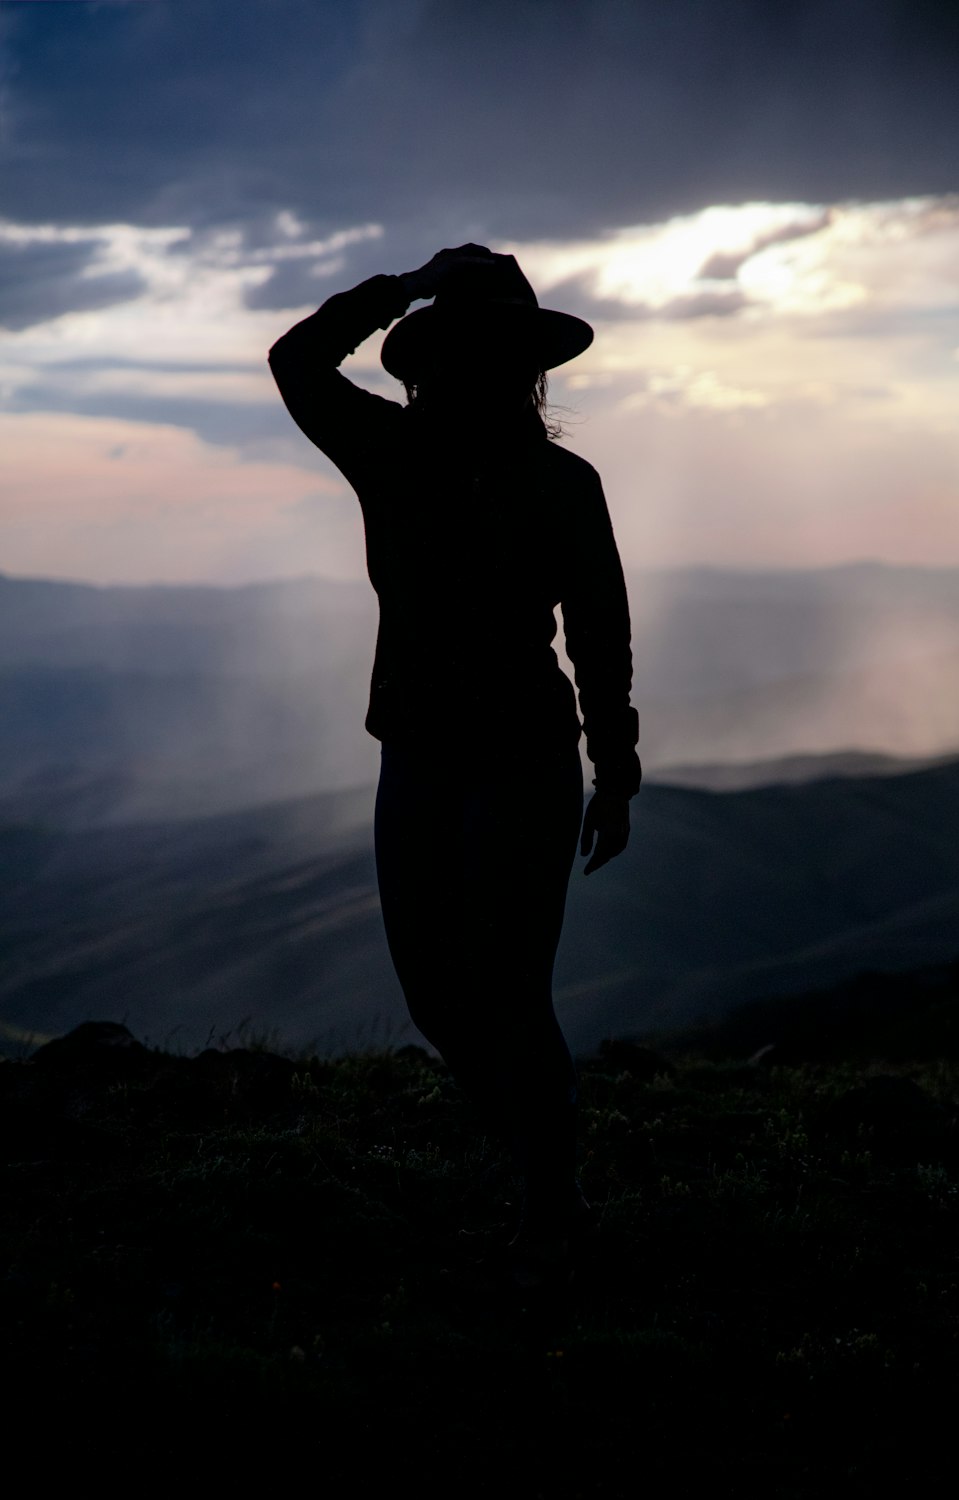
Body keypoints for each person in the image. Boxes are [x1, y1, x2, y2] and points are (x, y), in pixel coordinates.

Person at [267, 244, 641, 1289]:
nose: (482, 369)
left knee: (509, 993)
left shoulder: (551, 481)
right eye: (463, 348)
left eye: (498, 352)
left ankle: (550, 1204)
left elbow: (599, 634)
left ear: (521, 365)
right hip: (424, 757)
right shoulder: (394, 452)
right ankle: (541, 1166)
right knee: (437, 995)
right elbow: (294, 360)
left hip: (517, 757)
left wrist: (616, 768)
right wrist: (404, 287)